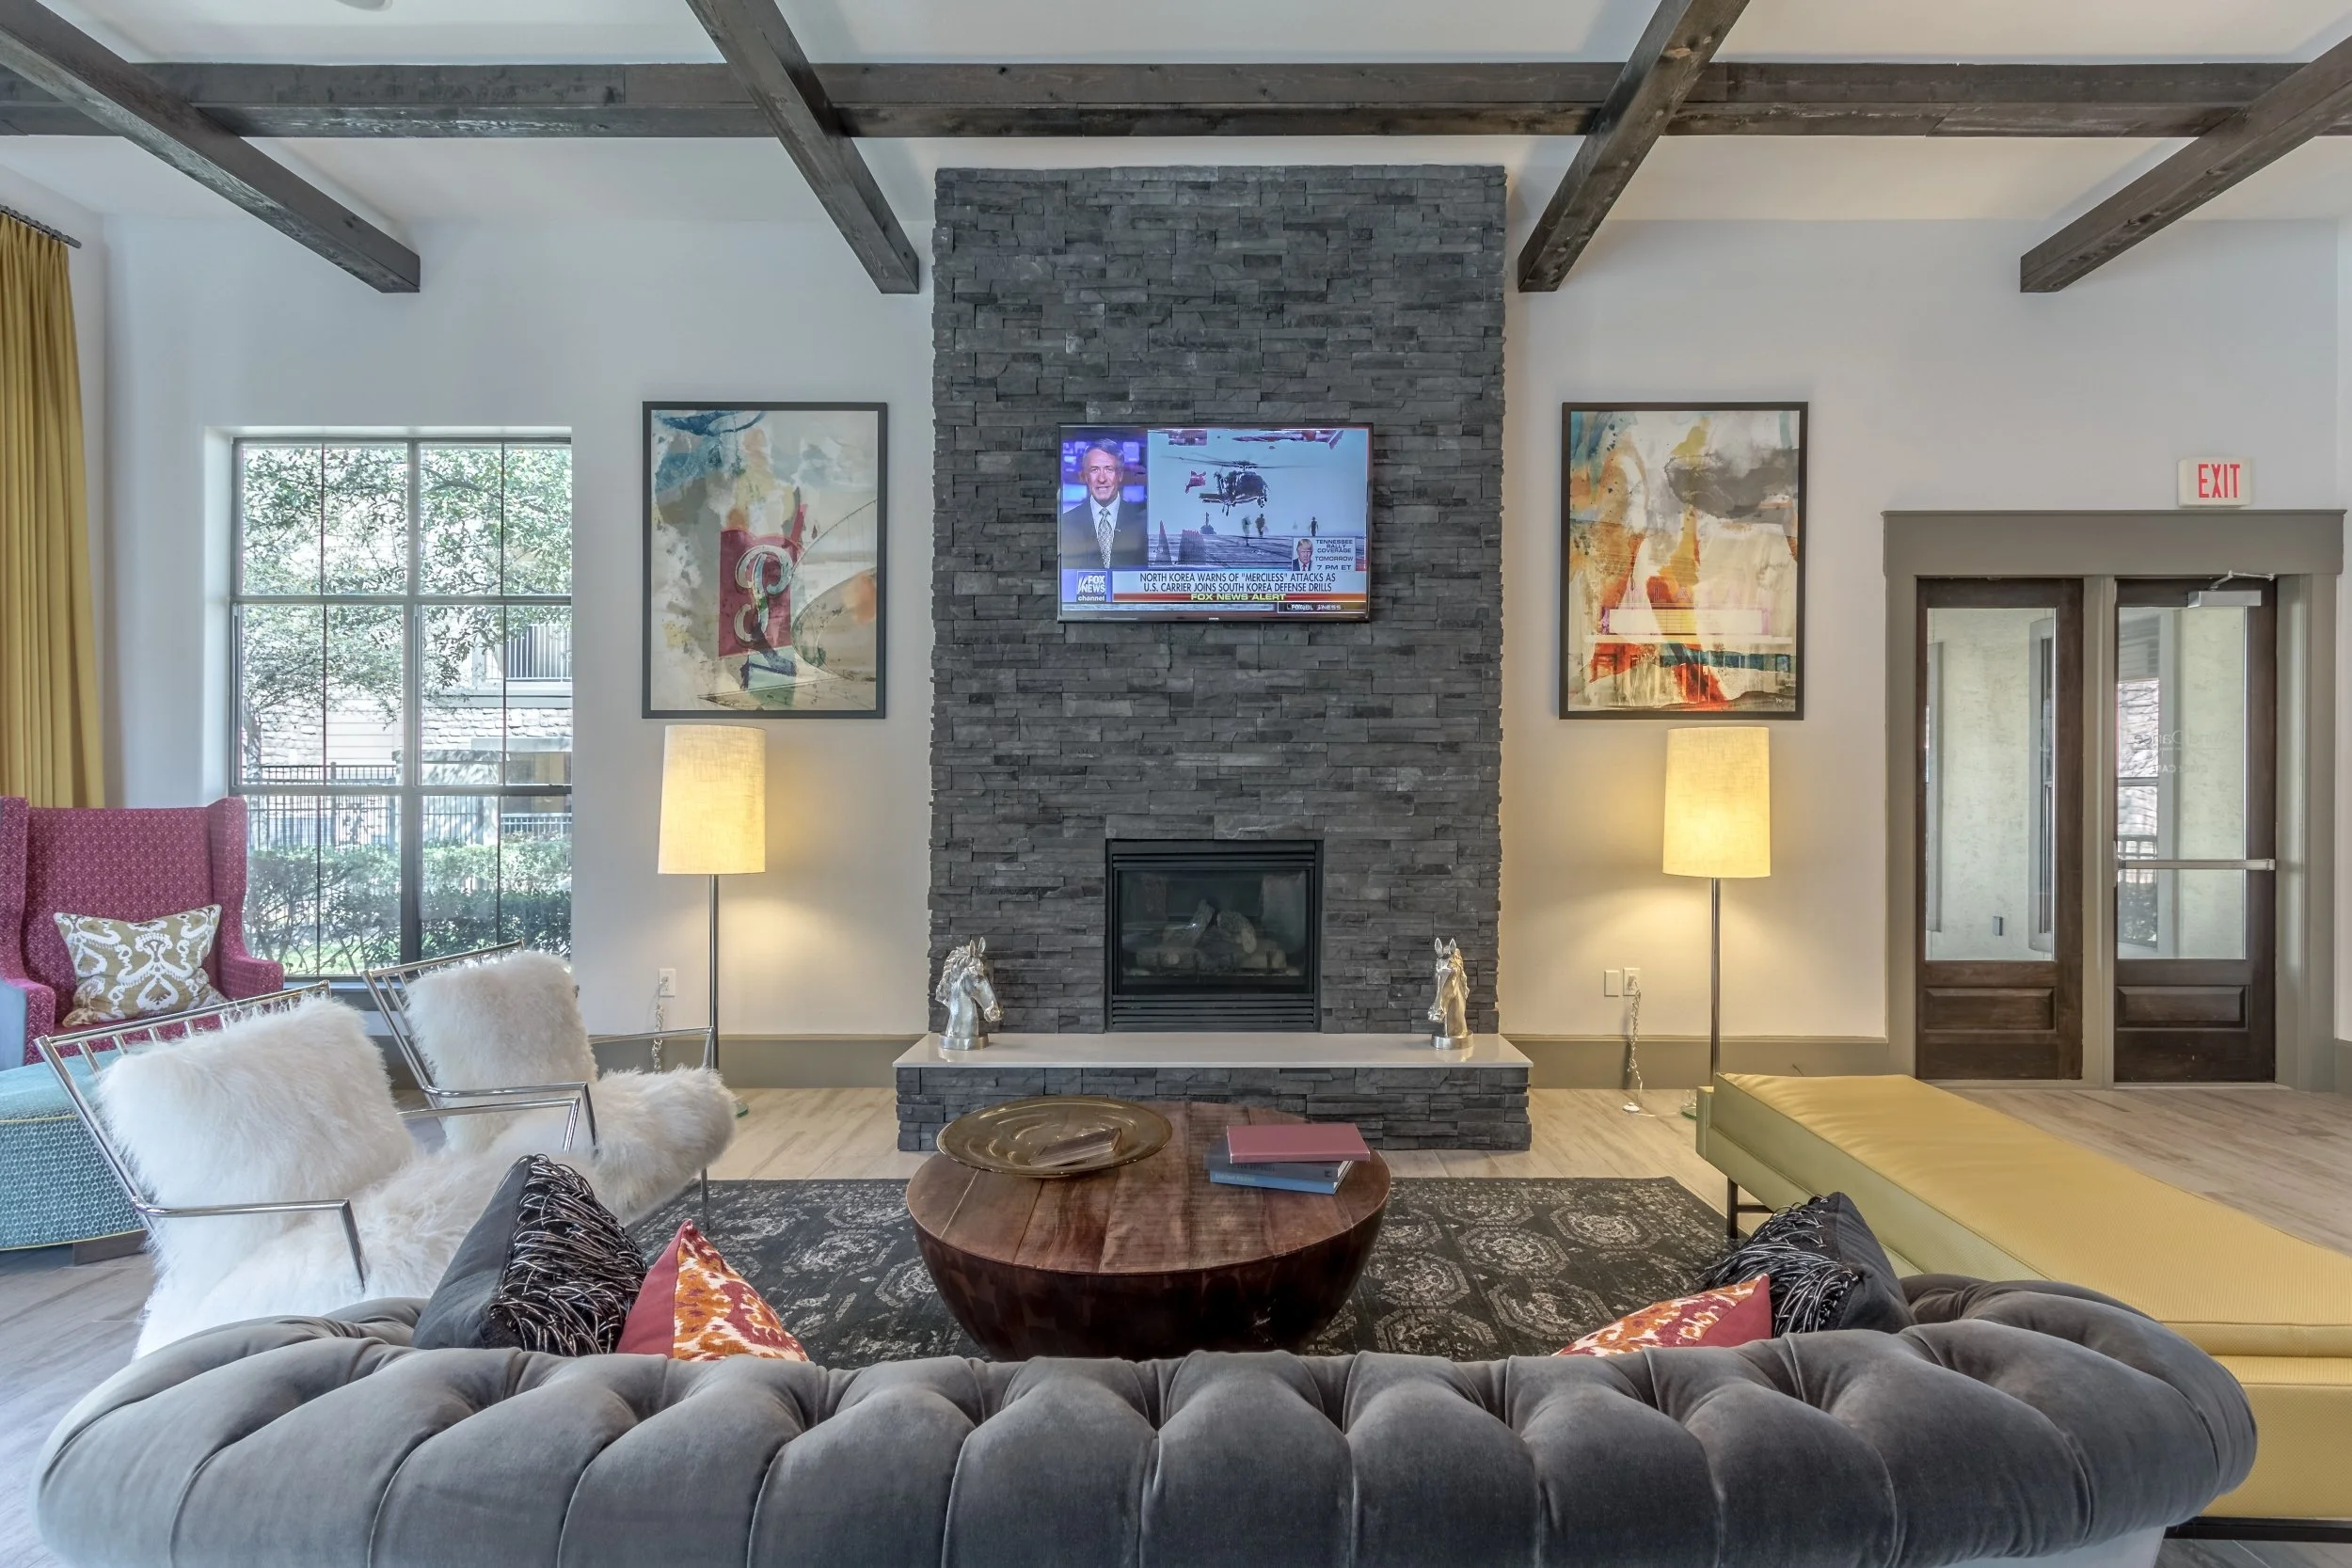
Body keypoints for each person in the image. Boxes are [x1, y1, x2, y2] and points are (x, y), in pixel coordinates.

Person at [1057, 440, 1150, 569]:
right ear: (1085, 476)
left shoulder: (1144, 522)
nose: (1102, 479)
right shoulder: (1066, 523)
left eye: (1108, 469)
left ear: (1120, 474)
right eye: (1094, 470)